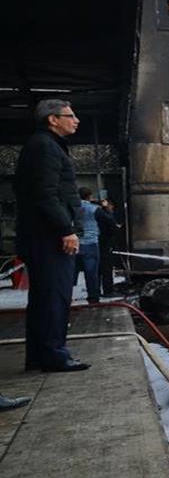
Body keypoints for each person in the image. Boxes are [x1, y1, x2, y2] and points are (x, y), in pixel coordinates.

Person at [14, 99, 90, 371]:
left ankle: (39, 355)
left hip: (41, 236)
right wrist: (66, 230)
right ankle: (54, 355)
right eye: (69, 115)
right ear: (52, 120)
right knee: (55, 297)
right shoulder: (45, 147)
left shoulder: (44, 145)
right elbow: (45, 195)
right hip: (49, 238)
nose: (76, 120)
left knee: (44, 298)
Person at [73, 187, 102, 304]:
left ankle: (66, 296)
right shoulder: (94, 209)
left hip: (75, 243)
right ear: (89, 196)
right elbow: (107, 221)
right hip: (91, 243)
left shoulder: (73, 208)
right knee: (91, 273)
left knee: (70, 273)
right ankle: (93, 297)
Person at [97, 198, 122, 296]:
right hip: (104, 242)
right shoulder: (102, 214)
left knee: (98, 268)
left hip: (98, 242)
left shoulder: (97, 213)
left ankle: (96, 290)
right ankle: (108, 291)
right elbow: (111, 223)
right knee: (106, 267)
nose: (112, 208)